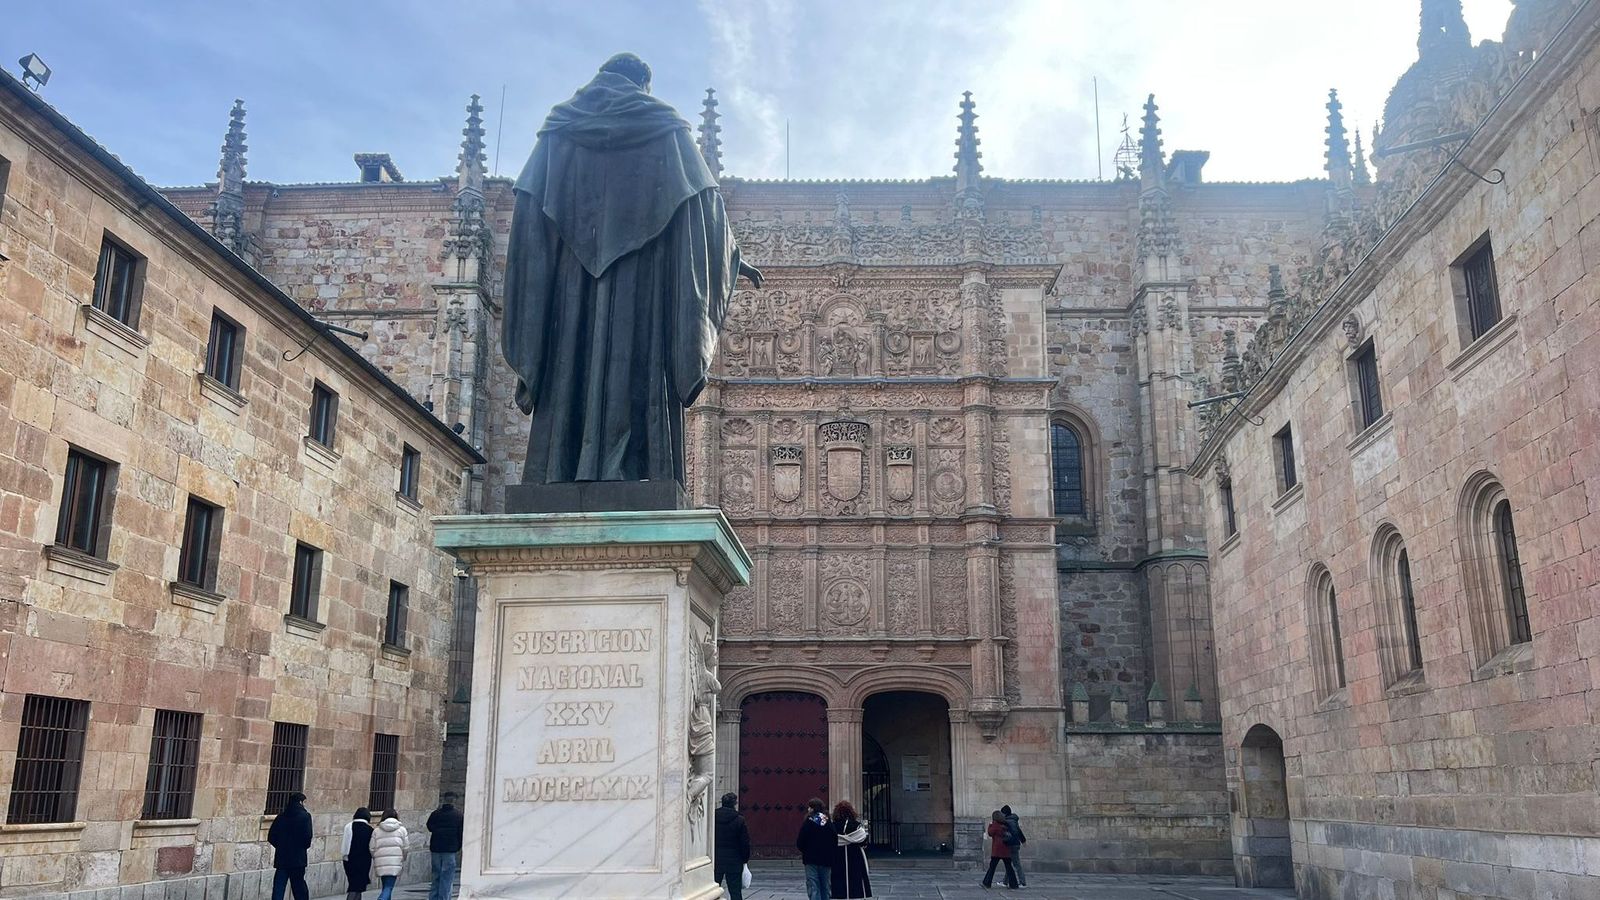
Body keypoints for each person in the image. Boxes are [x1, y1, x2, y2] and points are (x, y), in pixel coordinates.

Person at [501, 52, 761, 499]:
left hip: (572, 290)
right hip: (642, 287)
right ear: (642, 84)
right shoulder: (663, 127)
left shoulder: (559, 131)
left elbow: (529, 217)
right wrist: (730, 258)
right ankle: (638, 470)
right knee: (638, 366)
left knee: (572, 364)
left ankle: (560, 465)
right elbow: (704, 207)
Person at [267, 792, 313, 900]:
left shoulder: (281, 817)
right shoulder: (305, 816)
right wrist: (301, 848)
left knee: (279, 887)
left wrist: (281, 846)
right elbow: (307, 837)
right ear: (300, 802)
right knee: (299, 887)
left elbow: (271, 836)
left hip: (282, 858)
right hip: (298, 859)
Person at [829, 800, 872, 899]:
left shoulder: (832, 826)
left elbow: (829, 841)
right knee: (855, 877)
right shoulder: (856, 825)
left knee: (838, 877)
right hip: (854, 855)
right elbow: (862, 840)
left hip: (837, 856)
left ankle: (839, 894)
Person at [713, 792, 751, 900]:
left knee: (713, 888)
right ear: (734, 804)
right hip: (734, 860)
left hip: (716, 858)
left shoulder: (713, 817)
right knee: (735, 891)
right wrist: (745, 859)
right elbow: (744, 842)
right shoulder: (739, 819)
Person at [426, 793, 464, 900]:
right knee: (447, 877)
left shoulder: (435, 814)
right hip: (450, 849)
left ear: (444, 800)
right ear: (454, 801)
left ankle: (433, 897)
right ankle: (444, 898)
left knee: (436, 876)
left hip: (436, 848)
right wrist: (458, 846)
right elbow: (461, 832)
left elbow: (429, 826)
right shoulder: (458, 815)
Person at [795, 798, 834, 900]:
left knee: (813, 885)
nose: (808, 809)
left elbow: (800, 841)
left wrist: (806, 851)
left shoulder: (808, 822)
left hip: (811, 859)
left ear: (812, 808)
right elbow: (834, 839)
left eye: (809, 807)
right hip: (826, 859)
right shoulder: (828, 822)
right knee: (825, 885)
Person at [370, 808, 409, 900]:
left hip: (381, 861)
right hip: (395, 861)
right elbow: (406, 847)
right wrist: (403, 858)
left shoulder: (377, 830)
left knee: (386, 886)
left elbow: (372, 847)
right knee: (389, 886)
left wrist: (375, 857)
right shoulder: (402, 830)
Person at [341, 807, 374, 900]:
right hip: (364, 862)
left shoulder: (349, 826)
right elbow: (371, 847)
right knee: (357, 887)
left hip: (349, 860)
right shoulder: (370, 830)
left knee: (355, 886)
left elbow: (345, 844)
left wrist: (345, 856)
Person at [981, 810, 1019, 890]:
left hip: (997, 850)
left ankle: (987, 883)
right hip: (1006, 849)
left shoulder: (995, 825)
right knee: (1009, 868)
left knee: (992, 868)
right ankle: (1014, 884)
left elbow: (990, 833)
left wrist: (990, 824)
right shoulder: (1006, 824)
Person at [1000, 805, 1027, 888]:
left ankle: (1022, 882)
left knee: (1016, 864)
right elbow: (1019, 831)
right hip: (1015, 844)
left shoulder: (1008, 821)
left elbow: (1013, 833)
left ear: (1004, 813)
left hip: (1011, 844)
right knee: (1009, 863)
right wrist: (1023, 840)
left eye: (1002, 813)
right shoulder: (1013, 820)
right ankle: (1005, 882)